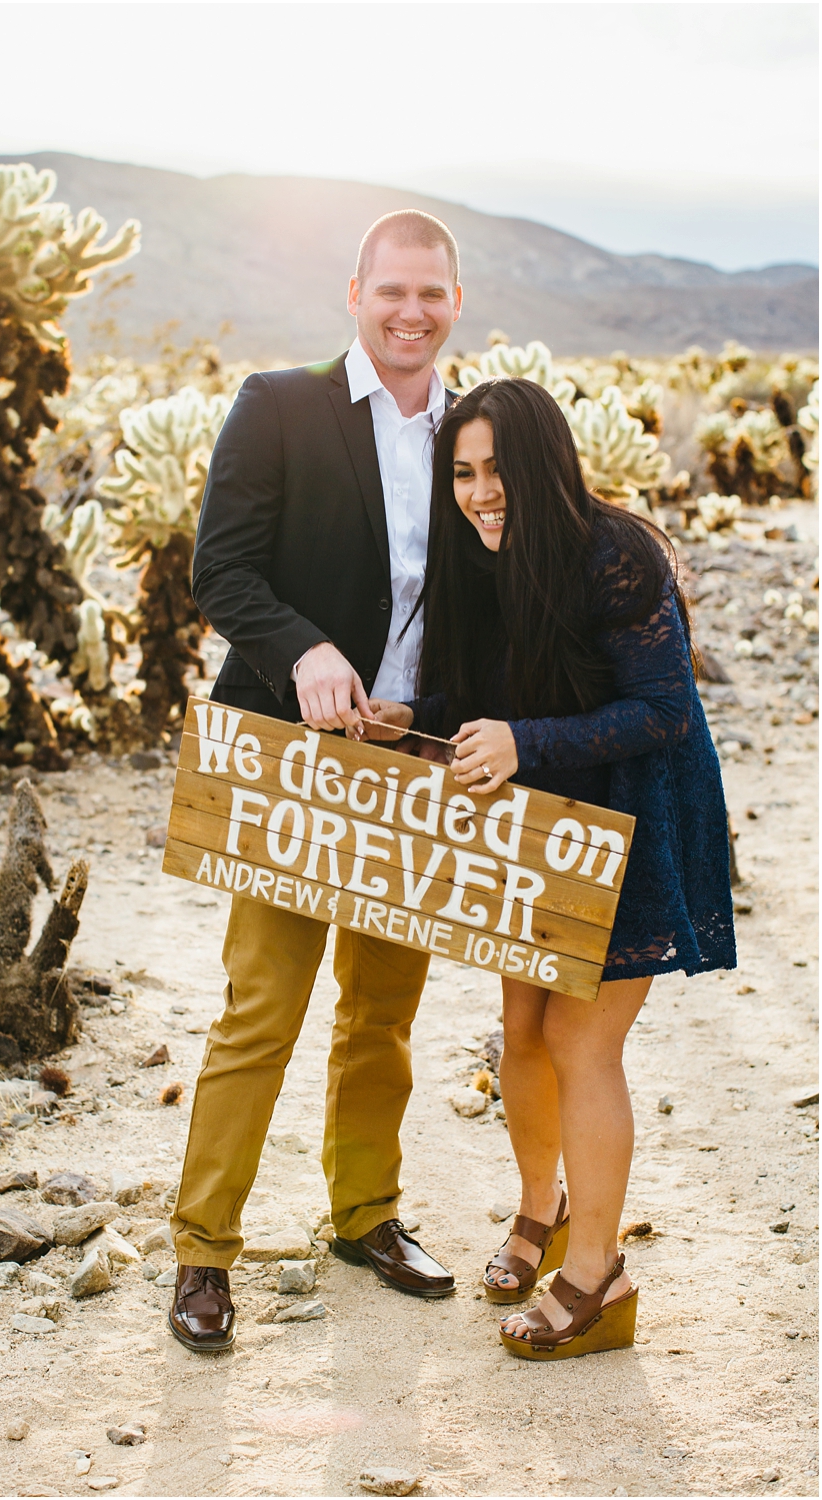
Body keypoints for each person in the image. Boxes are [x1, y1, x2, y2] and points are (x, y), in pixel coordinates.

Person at [363, 376, 735, 1359]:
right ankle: (542, 1212)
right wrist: (419, 720)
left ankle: (595, 1280)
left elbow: (660, 711)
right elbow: (471, 684)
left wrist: (521, 742)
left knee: (579, 1038)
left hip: (633, 817)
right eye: (463, 473)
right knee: (519, 1027)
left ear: (543, 468)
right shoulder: (475, 560)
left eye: (499, 472)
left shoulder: (614, 554)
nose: (481, 492)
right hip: (540, 826)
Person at [167, 210, 466, 1354]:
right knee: (261, 1007)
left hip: (411, 761)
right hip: (289, 760)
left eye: (429, 294)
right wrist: (304, 649)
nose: (409, 312)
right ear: (353, 293)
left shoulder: (471, 428)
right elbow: (219, 568)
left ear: (453, 301)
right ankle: (201, 1252)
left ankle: (366, 1217)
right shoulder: (278, 405)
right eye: (391, 291)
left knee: (382, 1014)